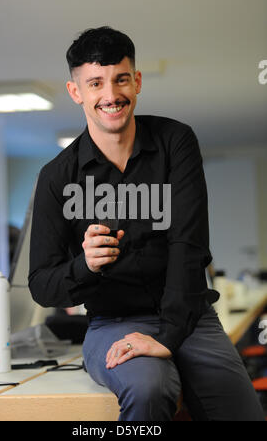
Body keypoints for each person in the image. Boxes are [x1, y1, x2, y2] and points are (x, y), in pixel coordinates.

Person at [28, 26, 265, 421]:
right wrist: (84, 265)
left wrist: (169, 336)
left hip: (191, 316)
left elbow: (188, 245)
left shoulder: (176, 141)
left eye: (121, 79)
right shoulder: (57, 177)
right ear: (76, 93)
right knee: (149, 387)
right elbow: (42, 284)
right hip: (112, 323)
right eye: (95, 84)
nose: (110, 95)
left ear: (136, 82)